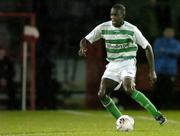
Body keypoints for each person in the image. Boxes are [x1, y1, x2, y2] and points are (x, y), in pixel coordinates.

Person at [78, 3, 167, 125]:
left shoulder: (132, 30)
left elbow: (148, 47)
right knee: (102, 94)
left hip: (128, 62)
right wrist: (83, 47)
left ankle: (157, 115)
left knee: (129, 89)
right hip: (113, 64)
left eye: (116, 15)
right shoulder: (104, 27)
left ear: (123, 15)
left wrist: (152, 71)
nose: (113, 17)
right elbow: (85, 40)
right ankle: (122, 121)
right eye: (111, 15)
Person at [153, 27, 180, 108]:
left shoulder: (176, 42)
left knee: (169, 89)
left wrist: (164, 50)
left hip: (170, 70)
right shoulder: (158, 41)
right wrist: (170, 51)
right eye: (167, 32)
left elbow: (177, 53)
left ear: (173, 33)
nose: (168, 34)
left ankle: (168, 106)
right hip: (159, 69)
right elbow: (156, 51)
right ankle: (156, 106)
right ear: (164, 33)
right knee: (158, 88)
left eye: (170, 32)